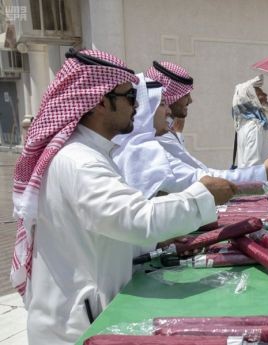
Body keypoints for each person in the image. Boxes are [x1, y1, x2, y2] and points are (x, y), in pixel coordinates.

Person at [11, 49, 237, 345]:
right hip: (74, 329)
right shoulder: (81, 162)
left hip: (82, 316)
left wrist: (159, 242)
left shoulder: (93, 153)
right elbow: (136, 219)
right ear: (102, 101)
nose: (138, 105)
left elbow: (105, 229)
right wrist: (203, 196)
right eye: (130, 96)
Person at [112, 74, 268, 198]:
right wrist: (264, 172)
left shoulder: (149, 141)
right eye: (162, 104)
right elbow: (200, 179)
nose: (190, 100)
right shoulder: (142, 150)